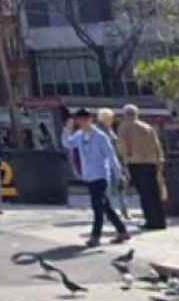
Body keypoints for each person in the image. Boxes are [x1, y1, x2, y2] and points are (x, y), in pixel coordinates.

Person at [64, 108, 129, 247]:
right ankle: (122, 231)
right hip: (89, 175)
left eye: (83, 120)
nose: (80, 123)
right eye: (78, 120)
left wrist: (119, 175)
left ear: (90, 120)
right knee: (105, 205)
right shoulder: (79, 135)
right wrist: (66, 130)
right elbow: (67, 143)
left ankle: (95, 236)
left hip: (101, 175)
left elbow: (111, 156)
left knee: (97, 206)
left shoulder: (100, 137)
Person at [116, 104, 167, 230]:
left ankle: (150, 221)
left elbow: (122, 146)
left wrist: (125, 160)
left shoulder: (124, 126)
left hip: (136, 163)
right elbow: (157, 145)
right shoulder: (148, 127)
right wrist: (159, 160)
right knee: (154, 194)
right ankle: (160, 222)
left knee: (145, 194)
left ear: (125, 114)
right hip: (152, 162)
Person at [95, 108, 131, 220]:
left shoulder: (109, 129)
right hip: (106, 163)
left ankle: (123, 210)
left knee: (120, 187)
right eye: (111, 117)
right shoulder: (99, 131)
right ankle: (110, 212)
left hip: (115, 162)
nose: (112, 120)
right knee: (108, 189)